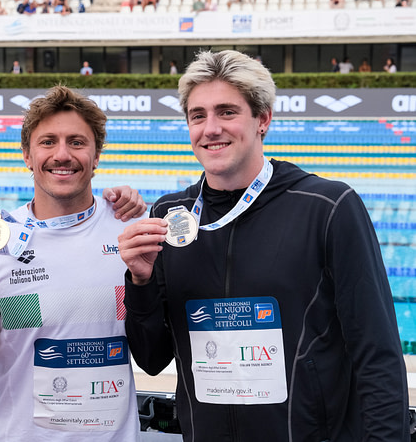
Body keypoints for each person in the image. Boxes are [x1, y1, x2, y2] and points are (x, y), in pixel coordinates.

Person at [117, 50, 409, 441]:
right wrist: (140, 282)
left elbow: (378, 354)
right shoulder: (173, 216)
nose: (211, 128)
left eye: (227, 112)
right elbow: (152, 359)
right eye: (198, 116)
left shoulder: (327, 207)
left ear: (263, 119)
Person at [0, 85, 147, 441]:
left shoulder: (130, 233)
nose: (62, 154)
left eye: (77, 142)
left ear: (96, 156)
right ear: (27, 155)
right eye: (48, 142)